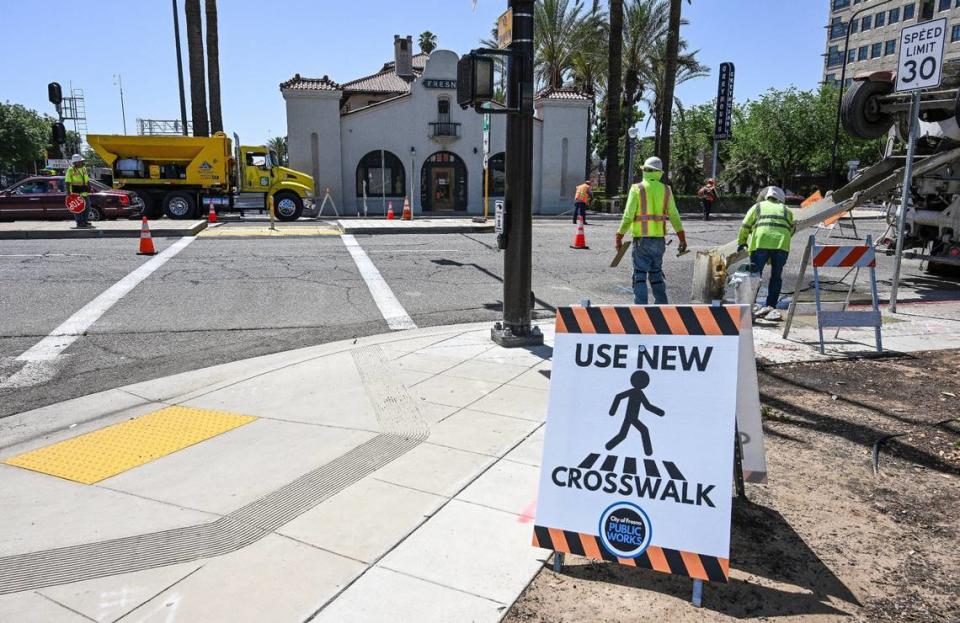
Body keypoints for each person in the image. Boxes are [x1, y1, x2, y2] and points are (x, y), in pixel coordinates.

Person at [615, 157, 687, 305]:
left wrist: (619, 236)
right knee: (656, 274)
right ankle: (661, 307)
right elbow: (674, 215)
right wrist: (682, 238)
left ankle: (641, 310)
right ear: (659, 173)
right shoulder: (666, 190)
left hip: (642, 241)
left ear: (645, 170)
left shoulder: (637, 189)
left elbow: (628, 216)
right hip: (659, 241)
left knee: (640, 275)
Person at [737, 186, 796, 321]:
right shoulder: (787, 210)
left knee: (755, 276)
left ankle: (750, 306)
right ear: (781, 198)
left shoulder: (757, 207)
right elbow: (790, 230)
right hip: (781, 245)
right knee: (776, 276)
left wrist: (742, 242)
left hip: (760, 243)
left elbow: (745, 225)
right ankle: (771, 306)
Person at [65, 153, 93, 228]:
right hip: (75, 192)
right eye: (80, 161)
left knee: (87, 208)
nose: (82, 162)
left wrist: (90, 187)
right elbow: (67, 181)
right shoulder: (71, 169)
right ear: (76, 162)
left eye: (82, 161)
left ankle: (85, 221)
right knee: (78, 208)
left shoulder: (84, 168)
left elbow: (87, 179)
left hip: (84, 191)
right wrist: (68, 193)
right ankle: (79, 223)